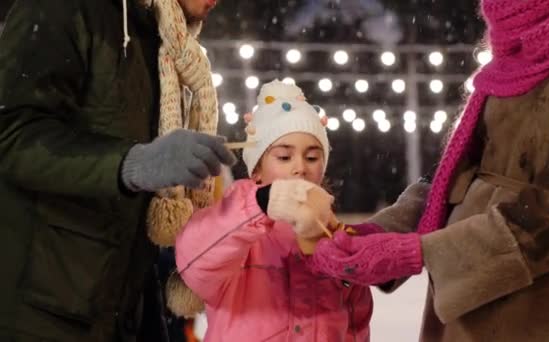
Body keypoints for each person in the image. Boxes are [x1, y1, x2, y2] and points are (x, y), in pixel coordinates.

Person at [306, 0, 549, 341]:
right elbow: (462, 171)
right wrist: (388, 228)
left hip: (542, 307)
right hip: (466, 303)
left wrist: (420, 252)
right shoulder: (515, 41)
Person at [0, 0, 235, 340]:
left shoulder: (160, 37)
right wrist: (133, 163)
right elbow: (11, 134)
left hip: (117, 310)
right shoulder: (65, 8)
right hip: (36, 314)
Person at [175, 80, 375, 341]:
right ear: (256, 170)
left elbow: (356, 325)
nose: (300, 167)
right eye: (284, 157)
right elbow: (196, 260)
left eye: (312, 157)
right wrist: (258, 204)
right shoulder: (238, 233)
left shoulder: (337, 239)